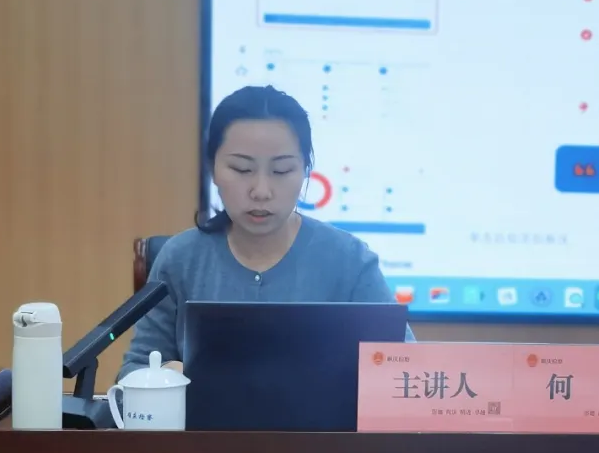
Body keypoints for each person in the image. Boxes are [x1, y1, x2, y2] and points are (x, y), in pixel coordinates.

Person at [118, 84, 413, 379]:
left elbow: (405, 369)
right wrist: (163, 376)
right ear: (212, 168)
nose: (261, 191)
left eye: (281, 171)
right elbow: (133, 372)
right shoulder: (180, 259)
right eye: (241, 169)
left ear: (305, 170)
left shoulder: (349, 261)